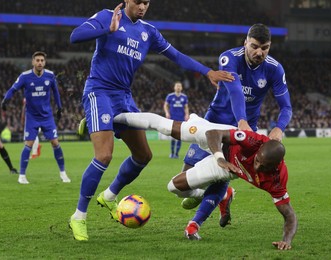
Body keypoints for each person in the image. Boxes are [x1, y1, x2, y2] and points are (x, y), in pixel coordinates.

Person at [67, 0, 234, 241]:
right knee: (104, 155)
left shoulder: (148, 32)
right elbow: (75, 36)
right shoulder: (107, 16)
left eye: (146, 2)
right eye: (138, 1)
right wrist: (108, 30)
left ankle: (110, 196)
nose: (143, 6)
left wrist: (207, 71)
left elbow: (175, 55)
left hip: (123, 96)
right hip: (99, 91)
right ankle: (79, 216)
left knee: (143, 155)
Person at [114, 112, 297, 249]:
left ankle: (221, 194)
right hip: (220, 145)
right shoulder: (253, 141)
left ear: (276, 165)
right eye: (257, 160)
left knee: (174, 187)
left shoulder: (277, 180)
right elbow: (213, 134)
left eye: (263, 167)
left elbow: (289, 215)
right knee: (167, 127)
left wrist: (286, 241)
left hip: (226, 169)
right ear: (259, 150)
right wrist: (220, 158)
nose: (257, 167)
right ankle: (115, 118)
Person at [180, 23, 293, 228]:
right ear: (245, 43)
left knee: (222, 173)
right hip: (214, 120)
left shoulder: (275, 70)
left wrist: (279, 127)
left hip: (244, 132)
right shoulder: (229, 58)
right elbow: (235, 91)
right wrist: (241, 120)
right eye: (255, 46)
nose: (259, 52)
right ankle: (224, 195)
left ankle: (196, 223)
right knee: (185, 179)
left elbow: (286, 106)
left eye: (265, 48)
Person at [1, 51, 70, 185]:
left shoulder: (50, 75)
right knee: (29, 144)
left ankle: (63, 173)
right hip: (31, 116)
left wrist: (59, 107)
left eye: (41, 60)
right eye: (37, 60)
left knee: (55, 142)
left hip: (47, 116)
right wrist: (6, 100)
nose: (39, 63)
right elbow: (13, 89)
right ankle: (22, 175)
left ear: (45, 62)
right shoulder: (25, 76)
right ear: (33, 62)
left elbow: (55, 92)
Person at [164, 81, 189, 159]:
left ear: (181, 88)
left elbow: (186, 107)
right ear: (174, 87)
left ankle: (177, 154)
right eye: (177, 86)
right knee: (172, 136)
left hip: (181, 119)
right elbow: (165, 105)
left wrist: (187, 114)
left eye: (179, 86)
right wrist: (167, 113)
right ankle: (172, 153)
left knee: (179, 136)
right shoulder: (170, 96)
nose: (178, 87)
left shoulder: (184, 97)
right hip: (172, 119)